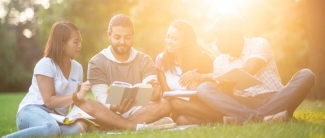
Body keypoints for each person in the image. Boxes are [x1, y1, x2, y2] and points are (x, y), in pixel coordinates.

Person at [180, 13, 316, 124]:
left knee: (306, 75)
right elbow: (227, 94)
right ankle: (262, 117)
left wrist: (204, 76)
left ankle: (248, 118)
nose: (217, 42)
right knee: (203, 88)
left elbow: (248, 69)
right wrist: (224, 87)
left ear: (235, 35)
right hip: (244, 104)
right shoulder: (220, 61)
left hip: (275, 98)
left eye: (220, 36)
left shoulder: (259, 44)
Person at [76, 14, 172, 130]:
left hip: (140, 111)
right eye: (117, 37)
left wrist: (155, 93)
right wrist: (116, 107)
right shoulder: (96, 62)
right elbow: (101, 97)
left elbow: (150, 92)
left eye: (127, 37)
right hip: (109, 112)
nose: (122, 42)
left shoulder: (145, 60)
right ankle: (137, 126)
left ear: (133, 36)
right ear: (109, 35)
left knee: (164, 104)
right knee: (85, 103)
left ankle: (113, 127)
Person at [3, 21, 91, 138]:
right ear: (62, 44)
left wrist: (83, 114)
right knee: (52, 129)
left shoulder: (78, 68)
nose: (80, 45)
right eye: (75, 42)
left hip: (56, 117)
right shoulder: (46, 64)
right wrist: (77, 95)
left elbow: (75, 103)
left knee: (79, 127)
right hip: (32, 110)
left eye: (80, 41)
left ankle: (50, 132)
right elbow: (49, 102)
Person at [155, 20, 222, 125]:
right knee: (182, 120)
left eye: (174, 38)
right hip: (177, 108)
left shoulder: (202, 57)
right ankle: (220, 119)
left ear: (185, 42)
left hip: (201, 104)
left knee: (176, 103)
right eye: (168, 37)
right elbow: (166, 93)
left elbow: (217, 83)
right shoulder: (161, 60)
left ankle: (221, 117)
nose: (169, 41)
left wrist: (199, 84)